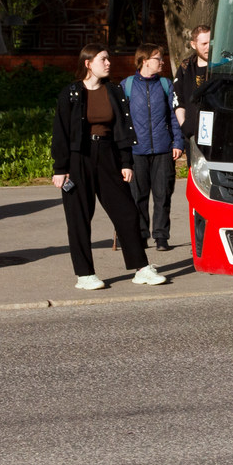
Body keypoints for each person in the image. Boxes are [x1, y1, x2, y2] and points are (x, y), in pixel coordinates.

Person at [50, 44, 167, 291]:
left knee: (127, 212)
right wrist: (60, 168)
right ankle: (85, 274)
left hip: (108, 155)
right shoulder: (70, 93)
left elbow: (123, 130)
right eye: (103, 59)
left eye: (108, 59)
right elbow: (60, 132)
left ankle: (141, 268)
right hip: (77, 158)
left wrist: (126, 162)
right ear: (87, 63)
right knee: (79, 217)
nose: (108, 63)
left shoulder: (113, 91)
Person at [122, 44, 183, 252]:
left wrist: (178, 142)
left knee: (162, 195)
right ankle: (140, 235)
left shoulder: (166, 84)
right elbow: (121, 120)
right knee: (138, 197)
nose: (162, 62)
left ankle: (161, 236)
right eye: (158, 58)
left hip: (163, 150)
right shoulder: (127, 85)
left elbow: (174, 116)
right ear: (145, 60)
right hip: (136, 151)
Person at [174, 25, 211, 146]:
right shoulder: (186, 67)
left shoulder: (222, 65)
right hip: (192, 135)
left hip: (217, 133)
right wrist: (185, 125)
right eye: (204, 44)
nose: (208, 47)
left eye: (210, 42)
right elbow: (177, 98)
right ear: (193, 44)